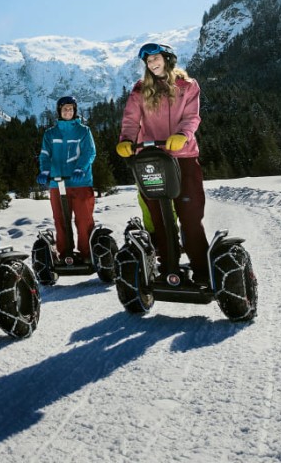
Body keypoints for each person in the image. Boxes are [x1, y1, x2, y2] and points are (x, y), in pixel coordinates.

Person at [115, 42, 210, 285]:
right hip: (153, 159)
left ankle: (202, 270)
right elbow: (130, 119)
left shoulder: (187, 86)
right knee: (160, 217)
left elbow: (192, 117)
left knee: (189, 216)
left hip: (183, 157)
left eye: (156, 58)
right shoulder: (140, 90)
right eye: (148, 61)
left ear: (167, 58)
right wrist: (126, 140)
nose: (152, 64)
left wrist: (183, 135)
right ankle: (169, 267)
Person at [36, 96, 96, 263]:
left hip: (80, 182)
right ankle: (65, 255)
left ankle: (86, 254)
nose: (68, 111)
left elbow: (89, 152)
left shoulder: (83, 131)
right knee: (60, 220)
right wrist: (45, 171)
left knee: (83, 220)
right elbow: (45, 155)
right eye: (64, 109)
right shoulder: (50, 133)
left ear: (75, 111)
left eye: (71, 109)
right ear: (59, 112)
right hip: (57, 183)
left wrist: (80, 168)